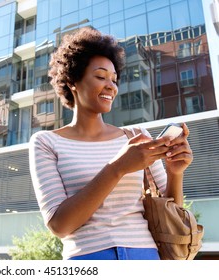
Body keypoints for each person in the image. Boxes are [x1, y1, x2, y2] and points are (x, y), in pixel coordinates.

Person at [28, 27, 193, 260]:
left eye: (114, 79)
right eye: (100, 76)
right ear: (73, 81)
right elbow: (59, 225)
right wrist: (117, 168)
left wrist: (176, 173)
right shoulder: (46, 142)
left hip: (145, 257)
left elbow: (172, 211)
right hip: (88, 258)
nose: (111, 86)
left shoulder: (136, 136)